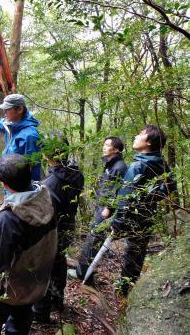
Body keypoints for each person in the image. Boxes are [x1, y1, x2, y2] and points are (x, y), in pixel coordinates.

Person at [0, 154, 57, 334]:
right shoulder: (45, 196)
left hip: (11, 288)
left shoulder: (9, 218)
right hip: (35, 283)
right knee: (21, 319)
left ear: (5, 185)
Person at [110, 125, 176, 295]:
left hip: (134, 217)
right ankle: (129, 288)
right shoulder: (160, 162)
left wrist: (117, 222)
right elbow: (171, 185)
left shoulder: (137, 166)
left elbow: (125, 197)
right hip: (149, 215)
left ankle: (123, 292)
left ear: (148, 143)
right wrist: (152, 198)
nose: (136, 136)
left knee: (132, 253)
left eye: (140, 134)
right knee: (138, 252)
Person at [32, 132, 84, 323]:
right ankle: (58, 299)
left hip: (52, 232)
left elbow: (44, 215)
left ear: (45, 155)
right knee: (59, 260)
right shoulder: (76, 173)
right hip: (68, 226)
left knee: (44, 268)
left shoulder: (48, 185)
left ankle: (41, 313)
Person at [68, 137, 127, 281]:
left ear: (116, 150)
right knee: (95, 238)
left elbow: (117, 190)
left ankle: (81, 273)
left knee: (93, 238)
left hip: (106, 210)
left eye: (107, 145)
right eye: (104, 144)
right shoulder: (110, 164)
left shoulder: (119, 167)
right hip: (102, 206)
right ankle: (88, 268)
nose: (104, 147)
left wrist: (108, 208)